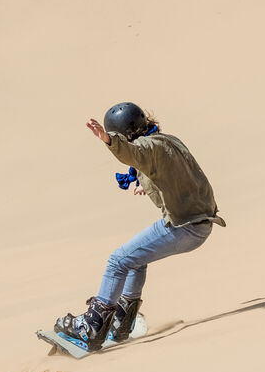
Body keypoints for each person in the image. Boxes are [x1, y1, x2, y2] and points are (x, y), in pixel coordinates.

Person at [53, 102, 226, 351]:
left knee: (118, 260)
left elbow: (132, 153)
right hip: (200, 222)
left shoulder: (146, 147)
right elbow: (174, 172)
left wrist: (108, 141)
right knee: (135, 258)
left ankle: (92, 326)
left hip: (184, 227)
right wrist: (148, 183)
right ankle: (123, 320)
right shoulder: (167, 141)